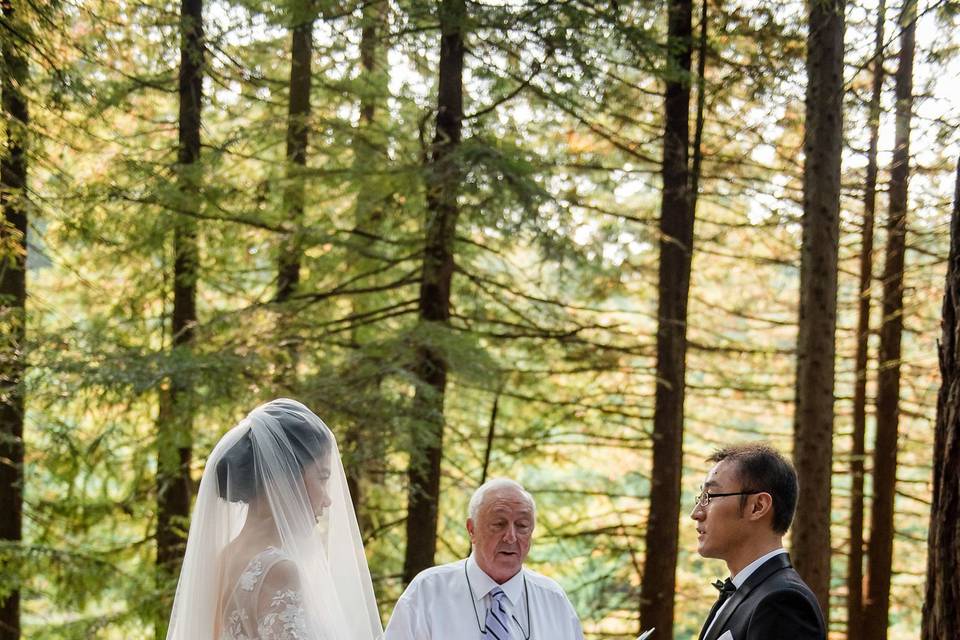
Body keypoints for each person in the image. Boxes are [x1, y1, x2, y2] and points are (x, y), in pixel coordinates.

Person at [165, 398, 383, 640]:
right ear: (284, 478)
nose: (328, 499)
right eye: (322, 477)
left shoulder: (222, 559)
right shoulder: (279, 570)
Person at [384, 478, 584, 640]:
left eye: (522, 525)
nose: (511, 536)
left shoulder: (554, 600)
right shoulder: (427, 591)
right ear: (472, 530)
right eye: (499, 524)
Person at [690, 443, 826, 640]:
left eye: (709, 497)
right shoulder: (744, 592)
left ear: (757, 506)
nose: (696, 514)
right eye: (699, 498)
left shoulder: (783, 603)